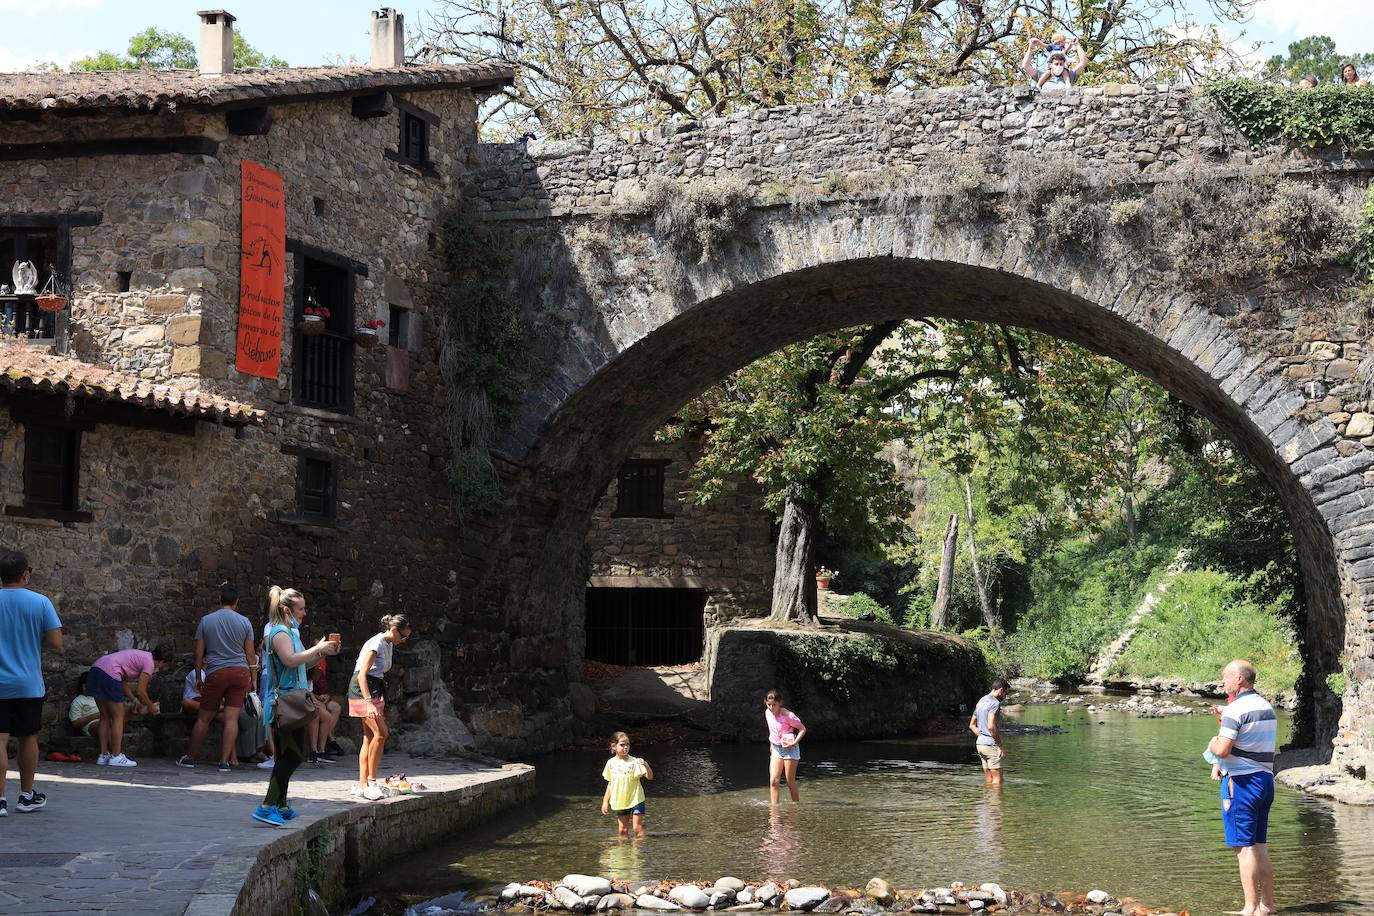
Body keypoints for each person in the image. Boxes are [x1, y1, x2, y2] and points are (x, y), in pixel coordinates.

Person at [254, 585, 339, 827]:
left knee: (287, 756)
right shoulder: (280, 633)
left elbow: (306, 660)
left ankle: (280, 804)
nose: (304, 613)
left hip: (293, 702)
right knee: (293, 755)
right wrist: (317, 649)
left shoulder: (291, 633)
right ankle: (267, 806)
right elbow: (290, 661)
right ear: (286, 610)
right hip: (285, 704)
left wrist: (323, 652)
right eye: (300, 609)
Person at [1209, 659, 1277, 916]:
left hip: (1241, 783)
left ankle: (1249, 908)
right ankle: (1267, 905)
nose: (1223, 682)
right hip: (1265, 781)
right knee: (1260, 845)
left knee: (1244, 848)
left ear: (1239, 679)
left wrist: (1213, 742)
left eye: (1225, 677)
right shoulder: (1266, 706)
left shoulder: (1235, 710)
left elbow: (1224, 749)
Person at [0, 549, 63, 816]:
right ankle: (26, 796)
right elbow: (57, 643)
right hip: (28, 683)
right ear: (25, 574)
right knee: (28, 737)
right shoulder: (40, 602)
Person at [176, 582, 255, 772]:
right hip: (240, 672)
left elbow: (198, 652)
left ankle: (190, 757)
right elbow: (250, 654)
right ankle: (224, 762)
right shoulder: (245, 622)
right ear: (237, 602)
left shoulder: (206, 621)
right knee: (231, 719)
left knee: (204, 718)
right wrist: (253, 678)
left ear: (220, 600)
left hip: (216, 672)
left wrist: (197, 675)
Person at [349, 614, 411, 800]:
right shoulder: (376, 644)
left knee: (369, 738)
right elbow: (361, 675)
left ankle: (362, 785)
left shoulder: (389, 644)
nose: (403, 640)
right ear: (393, 630)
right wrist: (369, 702)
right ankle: (371, 783)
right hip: (362, 689)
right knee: (381, 733)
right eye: (403, 636)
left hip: (375, 689)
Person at [87, 644, 171, 767]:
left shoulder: (140, 655)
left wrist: (134, 700)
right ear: (162, 661)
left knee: (104, 716)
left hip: (96, 669)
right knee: (118, 716)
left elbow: (122, 681)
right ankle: (116, 756)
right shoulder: (150, 663)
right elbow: (141, 691)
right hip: (109, 672)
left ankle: (103, 755)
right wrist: (151, 707)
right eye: (164, 665)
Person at [600, 731, 653, 838]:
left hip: (636, 799)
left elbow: (649, 777)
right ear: (614, 746)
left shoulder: (634, 761)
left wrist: (646, 764)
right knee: (622, 830)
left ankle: (636, 852)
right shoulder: (611, 763)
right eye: (622, 744)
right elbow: (610, 783)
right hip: (621, 800)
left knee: (637, 828)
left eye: (628, 744)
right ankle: (623, 853)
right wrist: (605, 801)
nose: (626, 747)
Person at [764, 688, 806, 804]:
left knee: (789, 781)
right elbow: (771, 729)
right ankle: (774, 810)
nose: (771, 708)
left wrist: (794, 742)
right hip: (776, 749)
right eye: (769, 705)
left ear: (780, 703)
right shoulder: (767, 713)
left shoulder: (788, 716)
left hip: (790, 749)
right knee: (773, 781)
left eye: (774, 705)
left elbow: (802, 729)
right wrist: (771, 743)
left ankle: (796, 806)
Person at [970, 678, 1009, 786]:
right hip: (991, 746)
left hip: (980, 744)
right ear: (1001, 690)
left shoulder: (981, 701)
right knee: (998, 781)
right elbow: (991, 726)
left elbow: (972, 725)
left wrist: (983, 736)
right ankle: (996, 803)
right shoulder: (995, 703)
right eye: (1006, 693)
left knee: (989, 779)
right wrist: (1000, 745)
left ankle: (987, 801)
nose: (1005, 696)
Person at [307, 658, 341, 766]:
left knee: (326, 716)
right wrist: (314, 700)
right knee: (316, 714)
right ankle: (313, 751)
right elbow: (305, 690)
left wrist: (317, 699)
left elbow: (309, 689)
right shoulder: (306, 668)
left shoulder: (317, 671)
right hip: (301, 698)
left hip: (311, 698)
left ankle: (321, 751)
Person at [1020, 36, 1087, 88]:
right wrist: (1030, 48)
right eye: (1056, 64)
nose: (1059, 66)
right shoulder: (1041, 75)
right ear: (1051, 65)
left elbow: (1083, 63)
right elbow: (1025, 66)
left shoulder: (1070, 75)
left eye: (1061, 64)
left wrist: (1077, 44)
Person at [69, 672, 102, 744]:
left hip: (106, 721)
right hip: (91, 726)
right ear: (84, 686)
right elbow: (75, 723)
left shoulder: (100, 697)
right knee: (105, 725)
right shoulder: (78, 701)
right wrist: (95, 716)